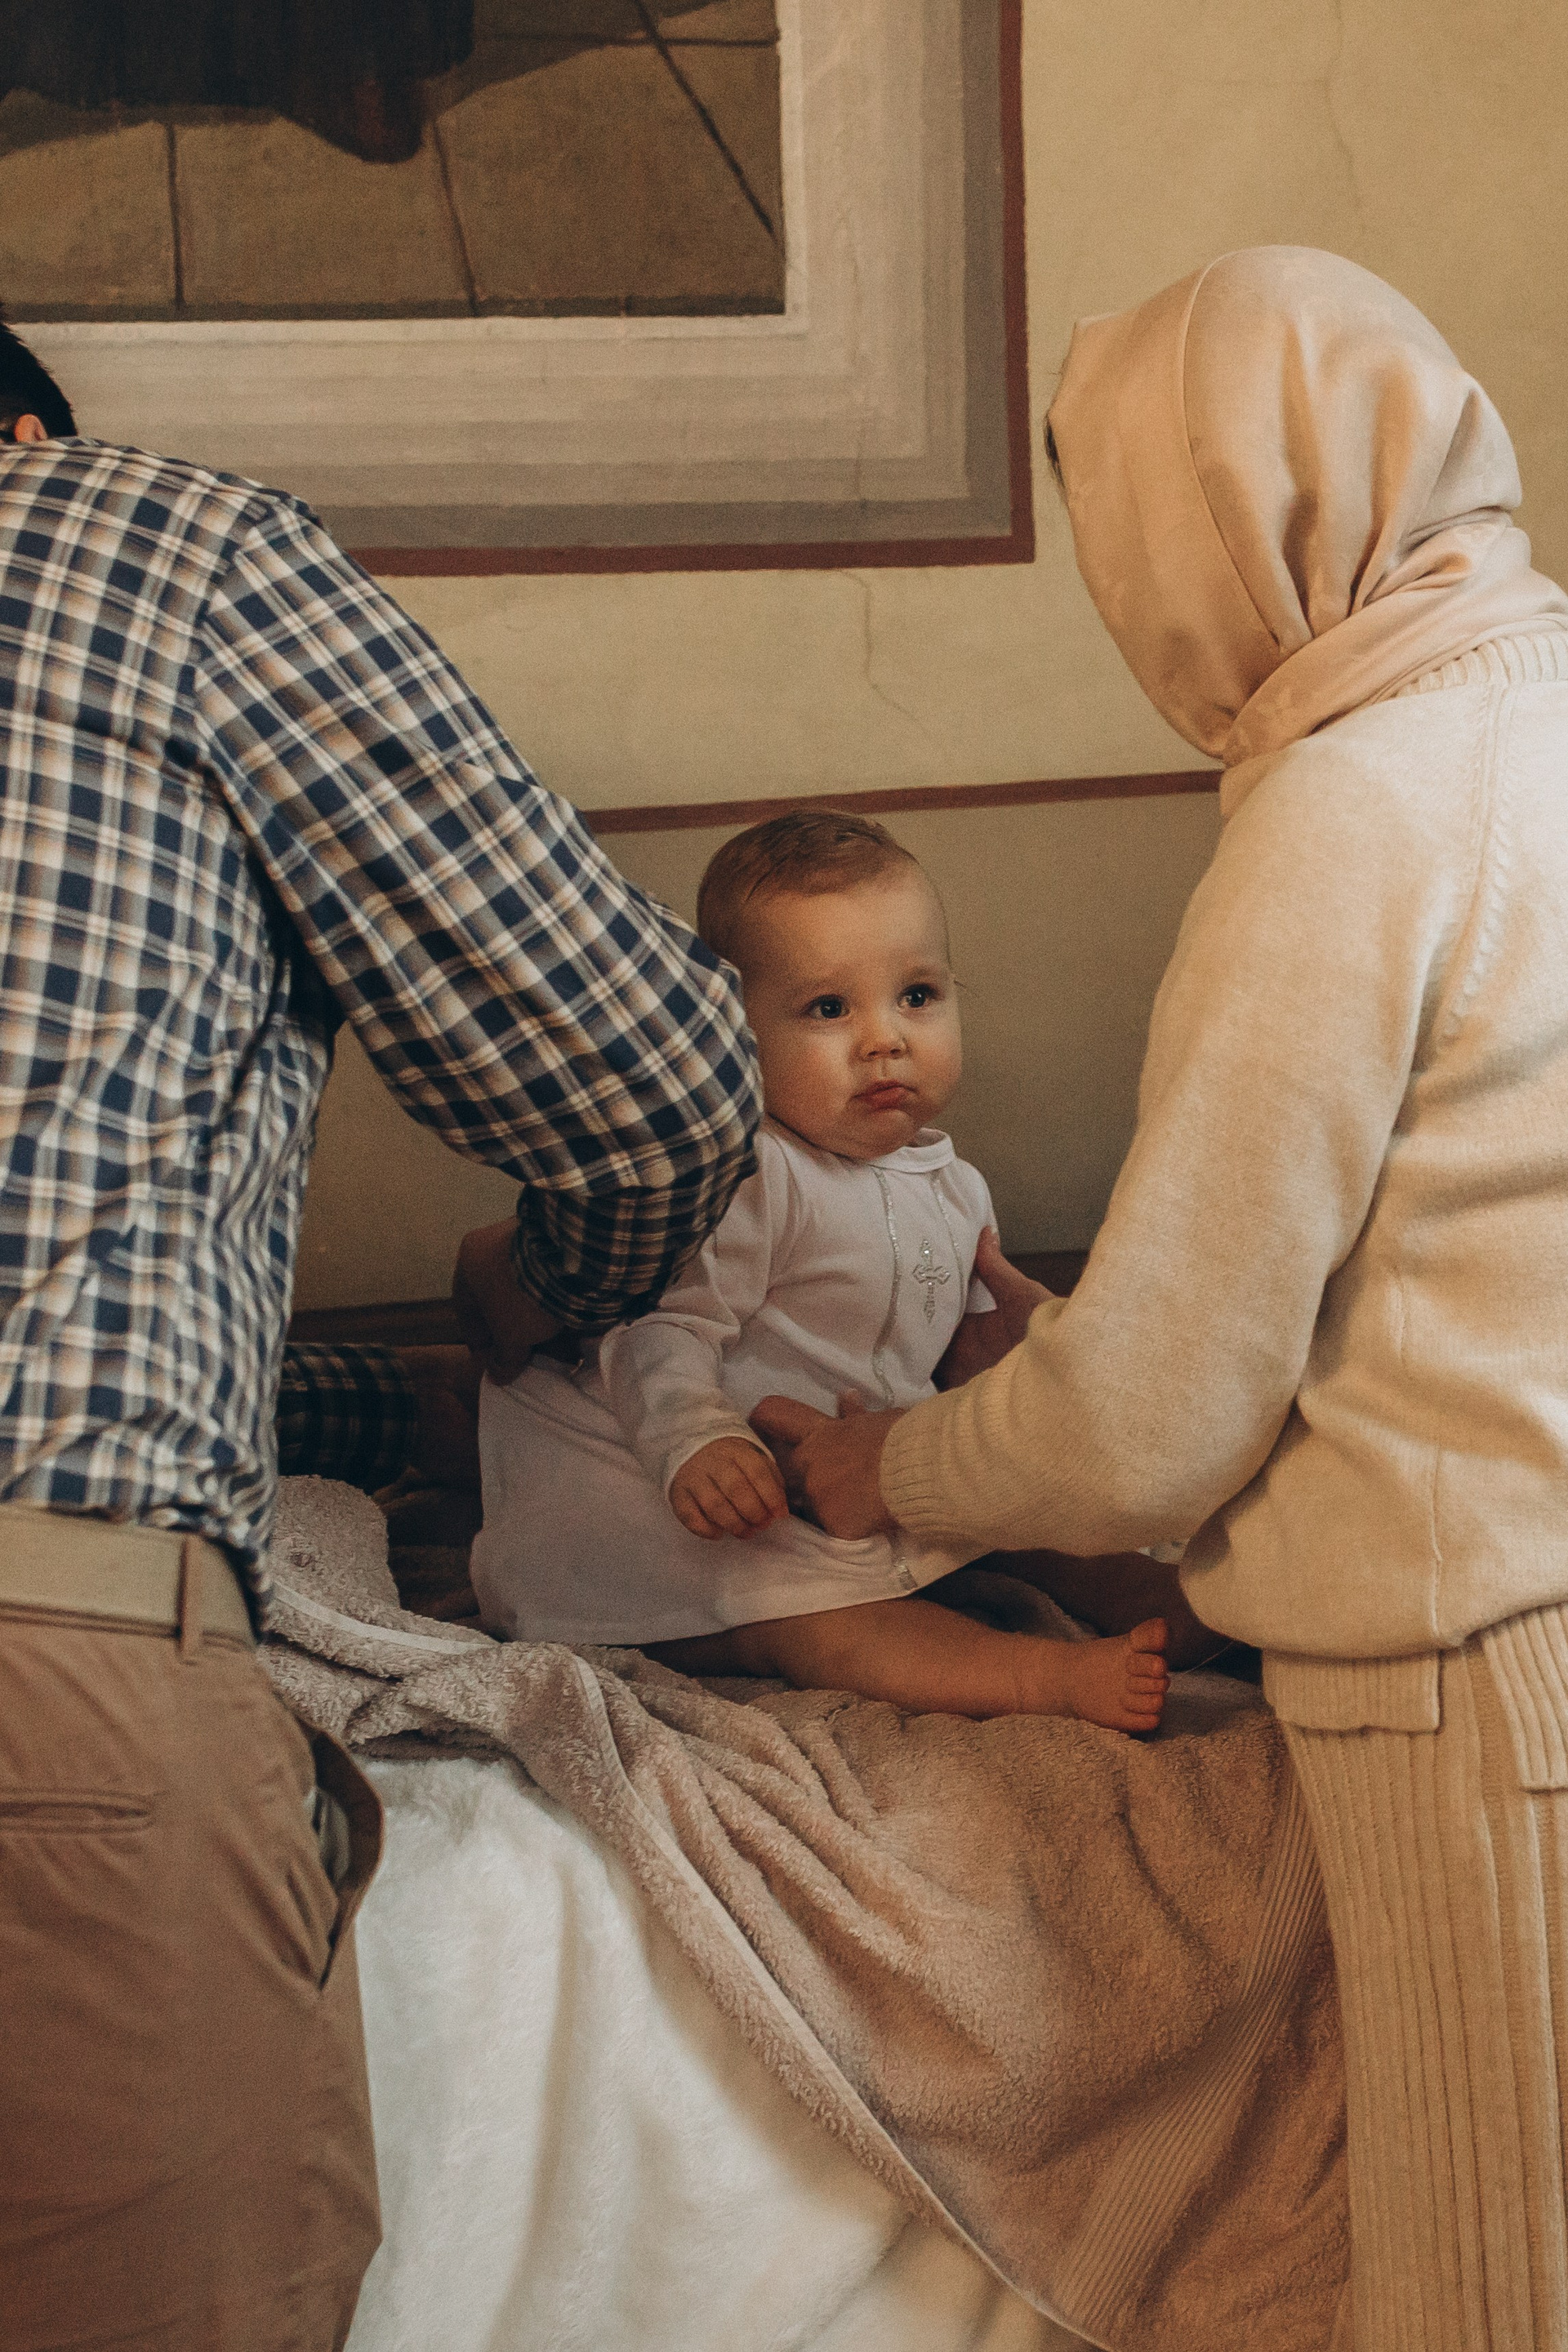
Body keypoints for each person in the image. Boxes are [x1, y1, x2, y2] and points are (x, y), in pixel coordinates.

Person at [755, 246, 1568, 2350]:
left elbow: (1150, 1422)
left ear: (1217, 515)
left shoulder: (1353, 805)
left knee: (1499, 2275)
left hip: (1487, 1669)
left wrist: (899, 1458)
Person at [0, 319, 760, 2350]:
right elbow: (651, 1089)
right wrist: (559, 1297)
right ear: (27, 432)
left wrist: (396, 1402)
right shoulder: (157, 551)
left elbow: (82, 1317)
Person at [473, 808, 1201, 1730]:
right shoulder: (753, 1175)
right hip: (694, 1509)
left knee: (1008, 1518)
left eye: (917, 996)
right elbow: (660, 1328)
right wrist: (699, 1440)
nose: (883, 1040)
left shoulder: (953, 1186)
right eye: (829, 1009)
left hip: (847, 1475)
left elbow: (951, 1345)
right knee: (822, 1625)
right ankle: (1037, 1678)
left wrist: (1014, 1365)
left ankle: (1156, 1592)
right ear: (735, 1036)